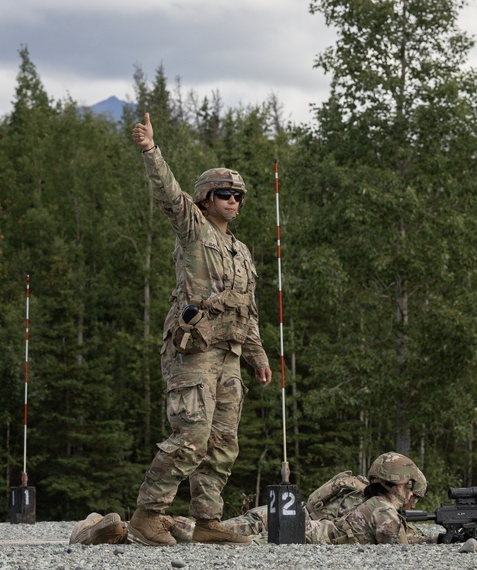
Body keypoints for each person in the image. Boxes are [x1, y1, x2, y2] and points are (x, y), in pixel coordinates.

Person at [127, 113, 273, 546]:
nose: (234, 201)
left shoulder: (241, 251)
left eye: (239, 196)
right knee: (192, 435)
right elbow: (168, 194)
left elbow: (247, 311)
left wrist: (258, 356)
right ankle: (147, 514)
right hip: (193, 352)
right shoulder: (193, 231)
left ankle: (208, 522)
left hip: (229, 355)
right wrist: (152, 151)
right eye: (225, 194)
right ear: (206, 199)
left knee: (224, 442)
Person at [70, 452, 434, 546]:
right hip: (298, 534)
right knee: (203, 541)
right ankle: (135, 534)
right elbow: (397, 543)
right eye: (411, 490)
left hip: (285, 514)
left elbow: (314, 502)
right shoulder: (385, 510)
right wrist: (437, 537)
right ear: (402, 485)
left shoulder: (353, 488)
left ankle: (106, 529)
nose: (412, 498)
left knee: (208, 532)